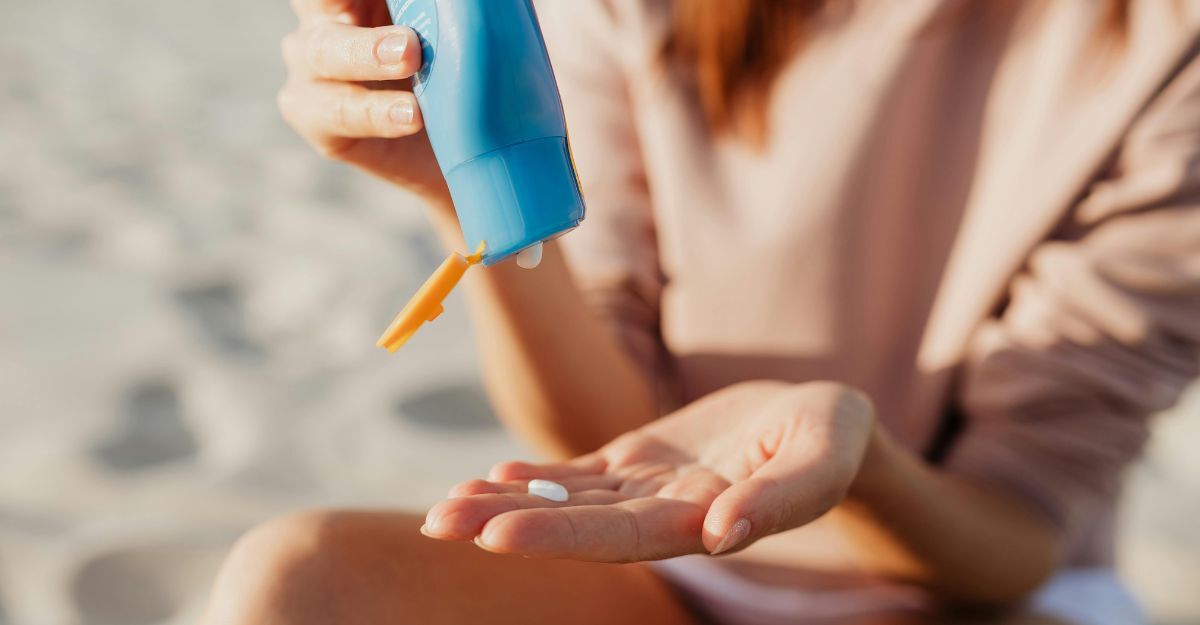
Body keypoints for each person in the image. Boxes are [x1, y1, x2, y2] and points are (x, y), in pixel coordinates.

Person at [203, 1, 1200, 623]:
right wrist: (467, 186)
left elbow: (1015, 539)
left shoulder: (1166, 48)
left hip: (974, 592)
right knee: (300, 580)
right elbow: (601, 439)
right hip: (668, 572)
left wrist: (865, 465)